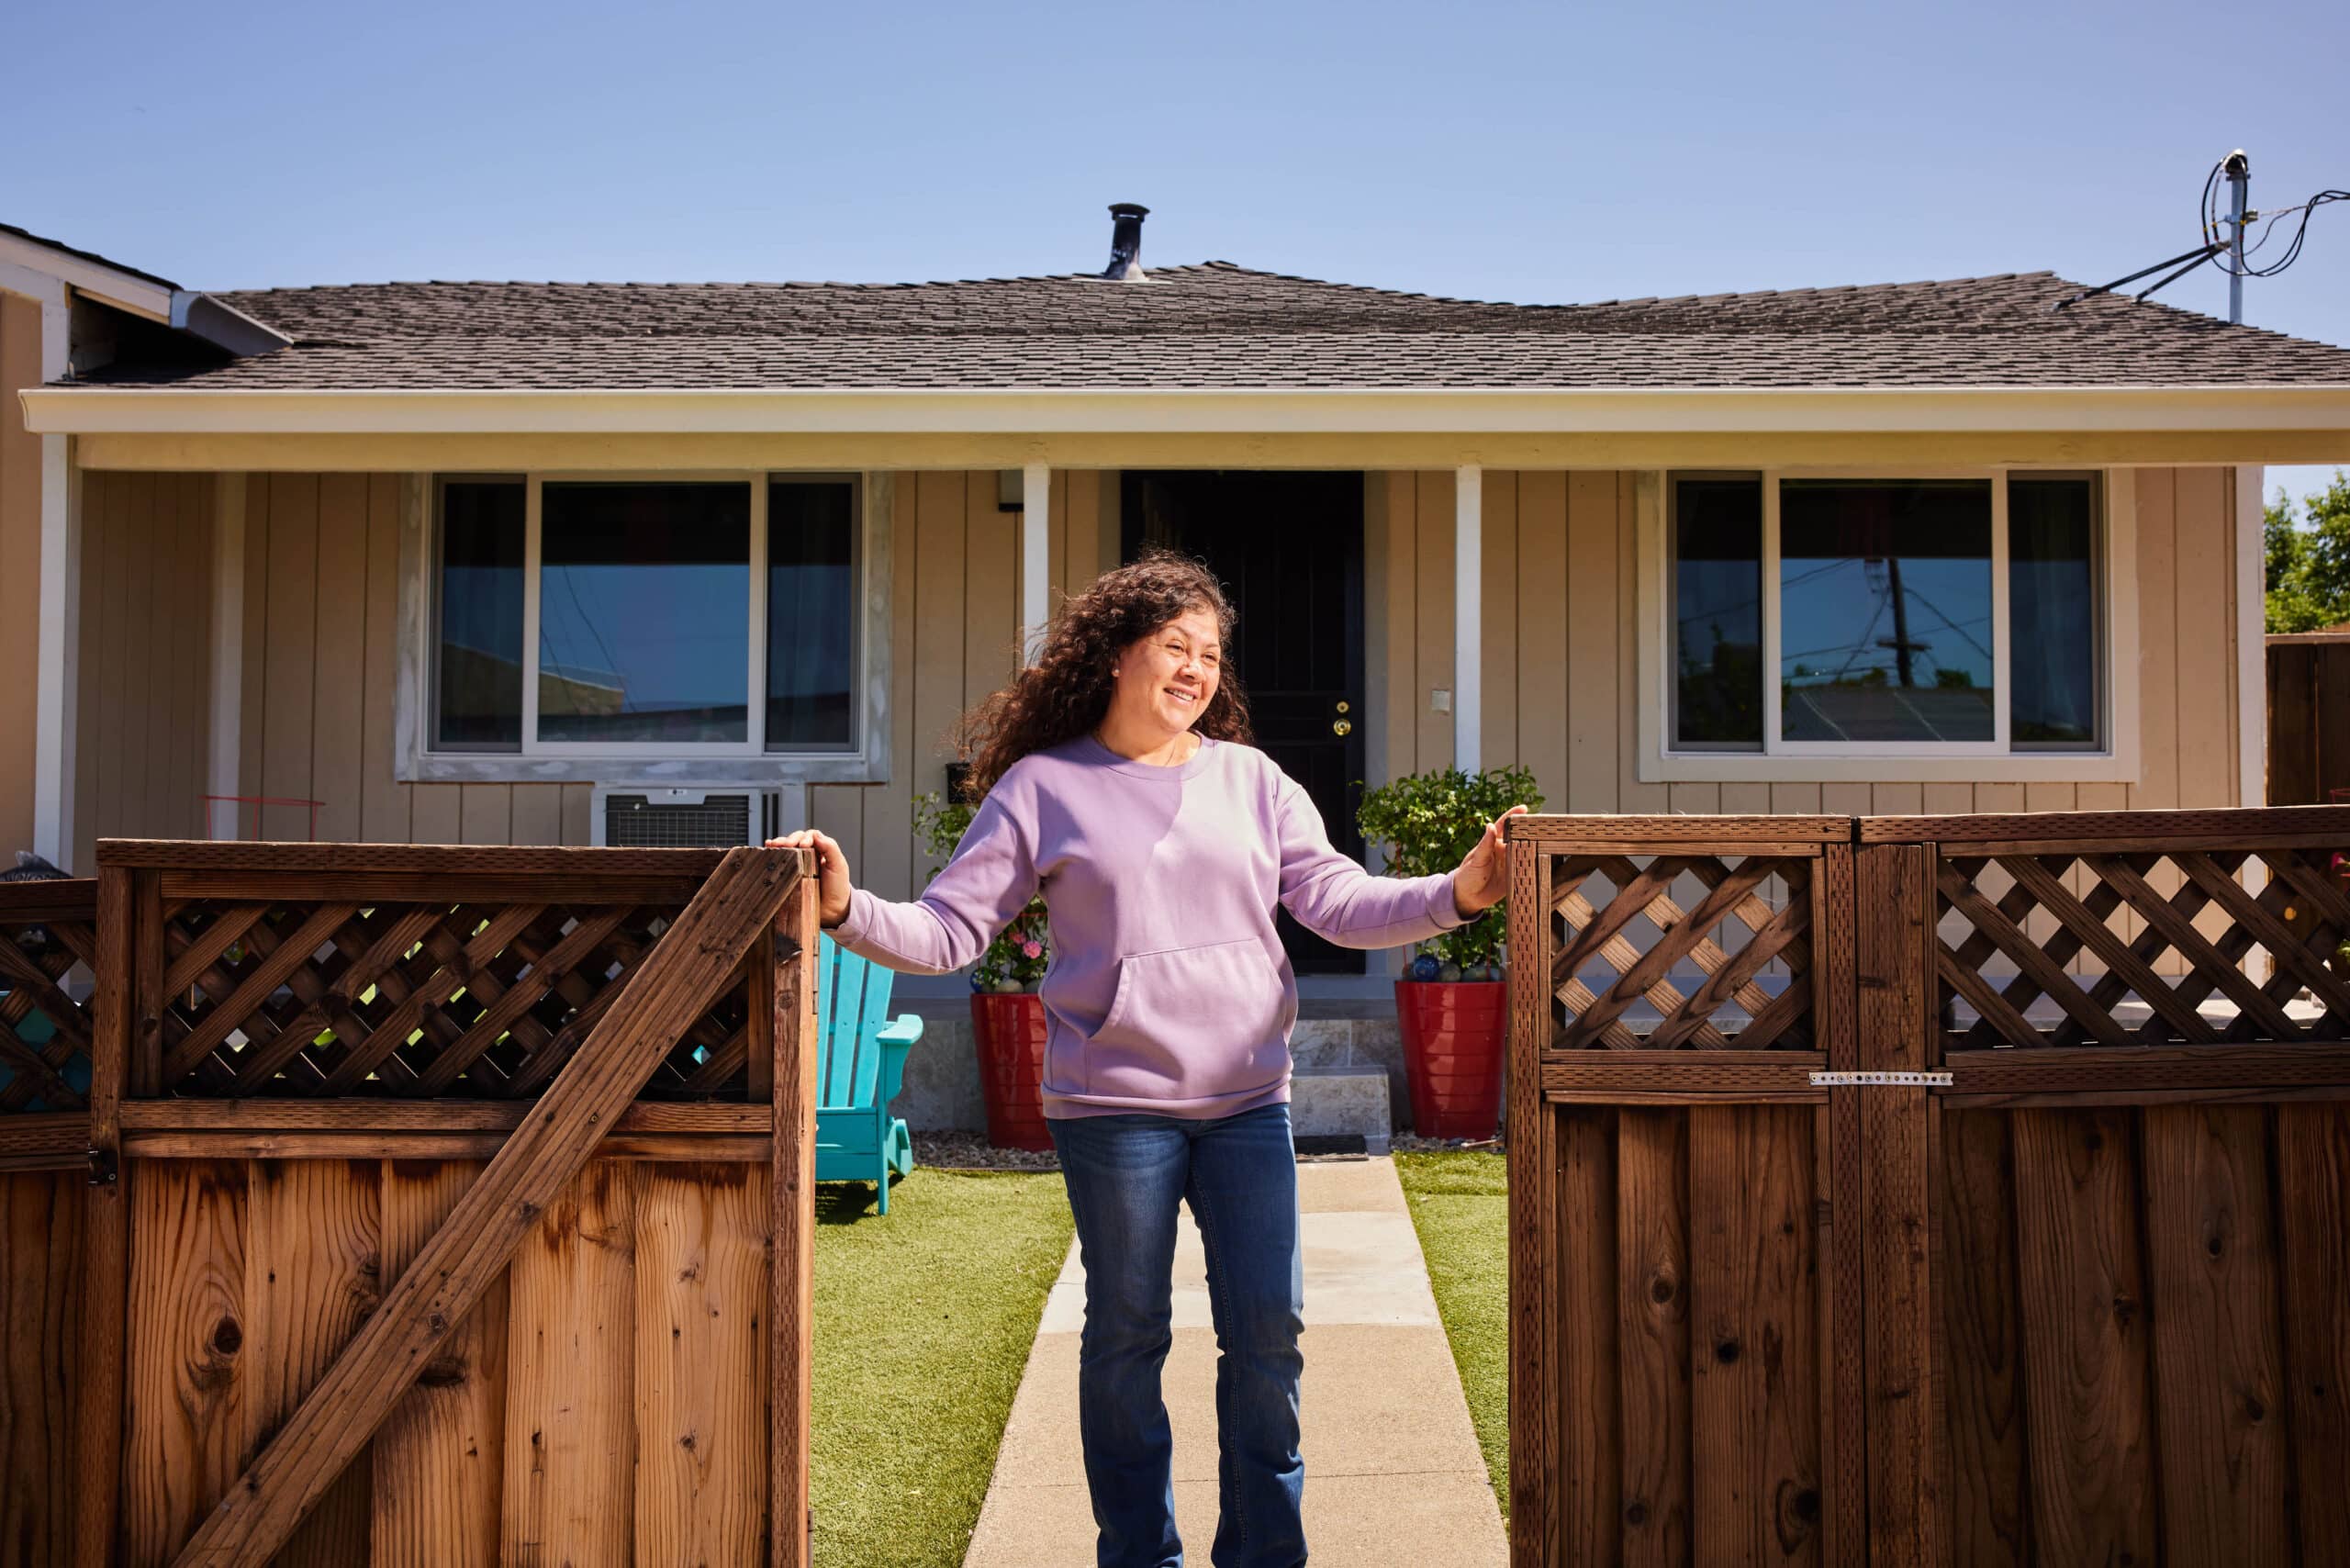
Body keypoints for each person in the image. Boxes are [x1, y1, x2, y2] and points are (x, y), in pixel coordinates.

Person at [767, 549, 1522, 1568]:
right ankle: (1138, 1553)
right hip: (1113, 1108)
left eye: (1209, 654)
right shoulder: (1044, 789)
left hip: (1249, 1101)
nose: (1195, 670)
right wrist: (846, 910)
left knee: (1268, 1338)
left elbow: (1338, 902)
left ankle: (1263, 1552)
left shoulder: (1253, 780)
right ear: (1116, 655)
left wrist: (1458, 890)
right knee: (1127, 1336)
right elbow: (951, 930)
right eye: (1175, 647)